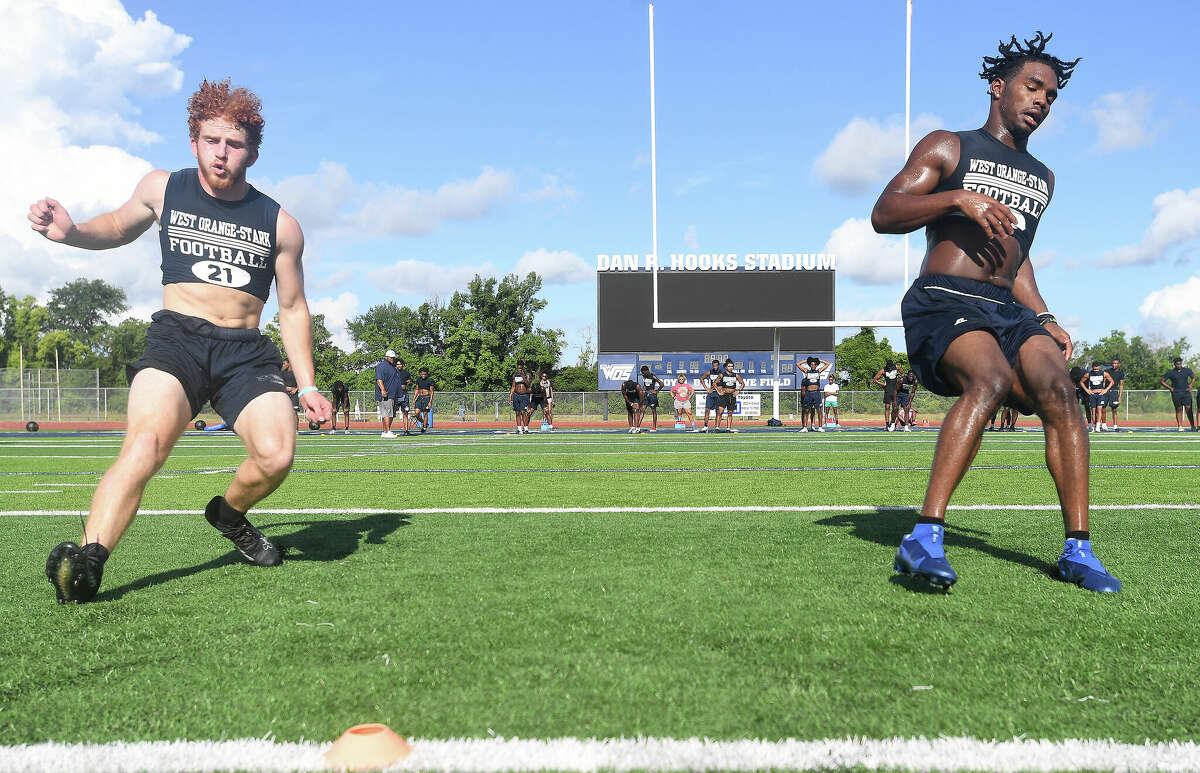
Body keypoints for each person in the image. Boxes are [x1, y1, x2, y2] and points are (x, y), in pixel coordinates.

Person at [31, 78, 332, 603]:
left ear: (253, 153)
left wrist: (307, 384)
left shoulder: (280, 224)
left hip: (245, 353)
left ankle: (230, 516)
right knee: (146, 444)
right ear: (194, 140)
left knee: (277, 454)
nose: (222, 153)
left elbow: (292, 306)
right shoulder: (162, 187)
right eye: (212, 140)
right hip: (177, 342)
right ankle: (87, 563)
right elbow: (119, 227)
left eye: (234, 144)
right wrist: (72, 231)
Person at [871, 33, 1120, 593]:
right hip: (945, 297)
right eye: (1033, 87)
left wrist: (1047, 316)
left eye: (1052, 96)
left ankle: (1077, 549)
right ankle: (924, 536)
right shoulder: (948, 146)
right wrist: (957, 198)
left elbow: (1019, 260)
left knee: (1061, 390)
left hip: (1008, 306)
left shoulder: (1043, 177)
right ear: (998, 86)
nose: (1042, 101)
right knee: (989, 377)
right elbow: (885, 212)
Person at [1160, 357, 1196, 431]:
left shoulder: (1187, 370)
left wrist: (1191, 385)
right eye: (1177, 364)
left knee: (1188, 408)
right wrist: (1170, 388)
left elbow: (1194, 377)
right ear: (1174, 364)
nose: (1179, 365)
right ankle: (1180, 426)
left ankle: (1192, 426)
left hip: (1186, 392)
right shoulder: (1171, 372)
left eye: (1180, 364)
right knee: (1179, 409)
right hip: (1176, 393)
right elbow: (1162, 381)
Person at [375, 350, 404, 438]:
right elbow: (379, 379)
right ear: (386, 357)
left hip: (393, 394)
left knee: (390, 413)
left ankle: (385, 431)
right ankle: (387, 431)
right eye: (391, 358)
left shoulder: (392, 367)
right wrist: (383, 390)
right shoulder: (381, 366)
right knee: (387, 413)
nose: (392, 359)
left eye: (393, 358)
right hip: (387, 394)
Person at [1079, 361, 1113, 433]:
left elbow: (1112, 381)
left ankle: (1098, 426)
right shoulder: (1088, 374)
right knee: (1093, 411)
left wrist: (1106, 390)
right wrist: (1087, 390)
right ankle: (1093, 427)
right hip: (1092, 394)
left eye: (1097, 369)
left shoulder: (1103, 373)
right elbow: (1081, 382)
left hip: (1100, 394)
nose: (1096, 371)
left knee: (1099, 410)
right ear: (1092, 368)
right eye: (1094, 369)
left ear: (1099, 367)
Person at [797, 356, 829, 432]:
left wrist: (819, 360)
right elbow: (798, 364)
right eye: (811, 364)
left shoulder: (819, 371)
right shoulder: (806, 371)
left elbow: (827, 364)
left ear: (816, 365)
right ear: (810, 365)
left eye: (814, 364)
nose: (813, 366)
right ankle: (805, 427)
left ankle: (820, 427)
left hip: (816, 393)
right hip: (808, 393)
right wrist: (807, 361)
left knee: (819, 410)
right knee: (806, 410)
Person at [714, 359, 744, 433]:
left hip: (732, 396)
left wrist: (738, 390)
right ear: (726, 367)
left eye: (732, 366)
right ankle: (717, 427)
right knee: (720, 412)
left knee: (730, 413)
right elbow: (714, 383)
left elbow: (742, 383)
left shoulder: (735, 375)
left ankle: (728, 428)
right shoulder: (722, 375)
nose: (731, 367)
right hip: (724, 395)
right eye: (729, 366)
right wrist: (718, 391)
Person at [873, 360, 900, 431]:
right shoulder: (883, 370)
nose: (890, 368)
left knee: (895, 408)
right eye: (889, 367)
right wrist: (883, 384)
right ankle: (887, 424)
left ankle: (893, 423)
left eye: (891, 367)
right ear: (887, 366)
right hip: (888, 390)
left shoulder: (897, 367)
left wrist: (900, 383)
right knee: (887, 407)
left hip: (896, 390)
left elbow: (903, 374)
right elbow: (875, 380)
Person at [697, 359, 723, 432]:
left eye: (716, 365)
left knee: (718, 411)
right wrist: (706, 388)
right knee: (707, 410)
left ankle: (717, 427)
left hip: (718, 393)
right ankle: (705, 426)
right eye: (714, 365)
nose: (715, 367)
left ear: (718, 366)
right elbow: (702, 379)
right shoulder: (710, 372)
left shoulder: (722, 373)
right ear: (712, 365)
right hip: (711, 393)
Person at [638, 365, 666, 432]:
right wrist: (643, 391)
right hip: (646, 395)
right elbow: (645, 385)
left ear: (647, 371)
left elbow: (661, 384)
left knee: (654, 411)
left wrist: (657, 391)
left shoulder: (653, 376)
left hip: (652, 396)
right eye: (642, 373)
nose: (643, 374)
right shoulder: (644, 376)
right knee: (642, 410)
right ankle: (637, 426)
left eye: (644, 372)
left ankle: (654, 427)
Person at [510, 359, 533, 434]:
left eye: (520, 368)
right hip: (516, 395)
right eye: (518, 368)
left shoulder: (527, 374)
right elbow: (513, 386)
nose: (519, 369)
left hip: (524, 395)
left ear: (523, 367)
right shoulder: (515, 375)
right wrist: (510, 395)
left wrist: (523, 376)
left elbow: (528, 384)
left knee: (523, 412)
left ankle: (526, 428)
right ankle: (519, 428)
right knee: (517, 412)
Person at [1103, 357, 1125, 430]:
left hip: (1114, 392)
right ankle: (1104, 425)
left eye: (1115, 363)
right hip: (1105, 391)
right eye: (1113, 363)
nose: (1114, 365)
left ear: (1119, 364)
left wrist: (1120, 396)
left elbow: (1121, 385)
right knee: (1103, 408)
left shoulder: (1121, 373)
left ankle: (1115, 426)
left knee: (1114, 409)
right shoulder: (1107, 371)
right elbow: (1103, 382)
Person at [393, 358, 414, 436]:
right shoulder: (393, 372)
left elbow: (410, 384)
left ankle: (406, 430)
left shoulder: (406, 373)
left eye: (400, 364)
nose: (399, 366)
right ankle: (387, 430)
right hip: (396, 395)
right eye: (397, 364)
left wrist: (410, 382)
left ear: (403, 365)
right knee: (392, 413)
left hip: (405, 395)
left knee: (405, 412)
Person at [411, 367, 434, 433]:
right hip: (419, 398)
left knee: (425, 413)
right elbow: (416, 389)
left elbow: (432, 391)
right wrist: (414, 399)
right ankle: (425, 423)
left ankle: (424, 427)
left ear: (427, 374)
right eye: (422, 374)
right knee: (416, 413)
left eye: (424, 374)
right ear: (420, 374)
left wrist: (430, 401)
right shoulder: (418, 380)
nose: (423, 375)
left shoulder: (430, 380)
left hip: (426, 398)